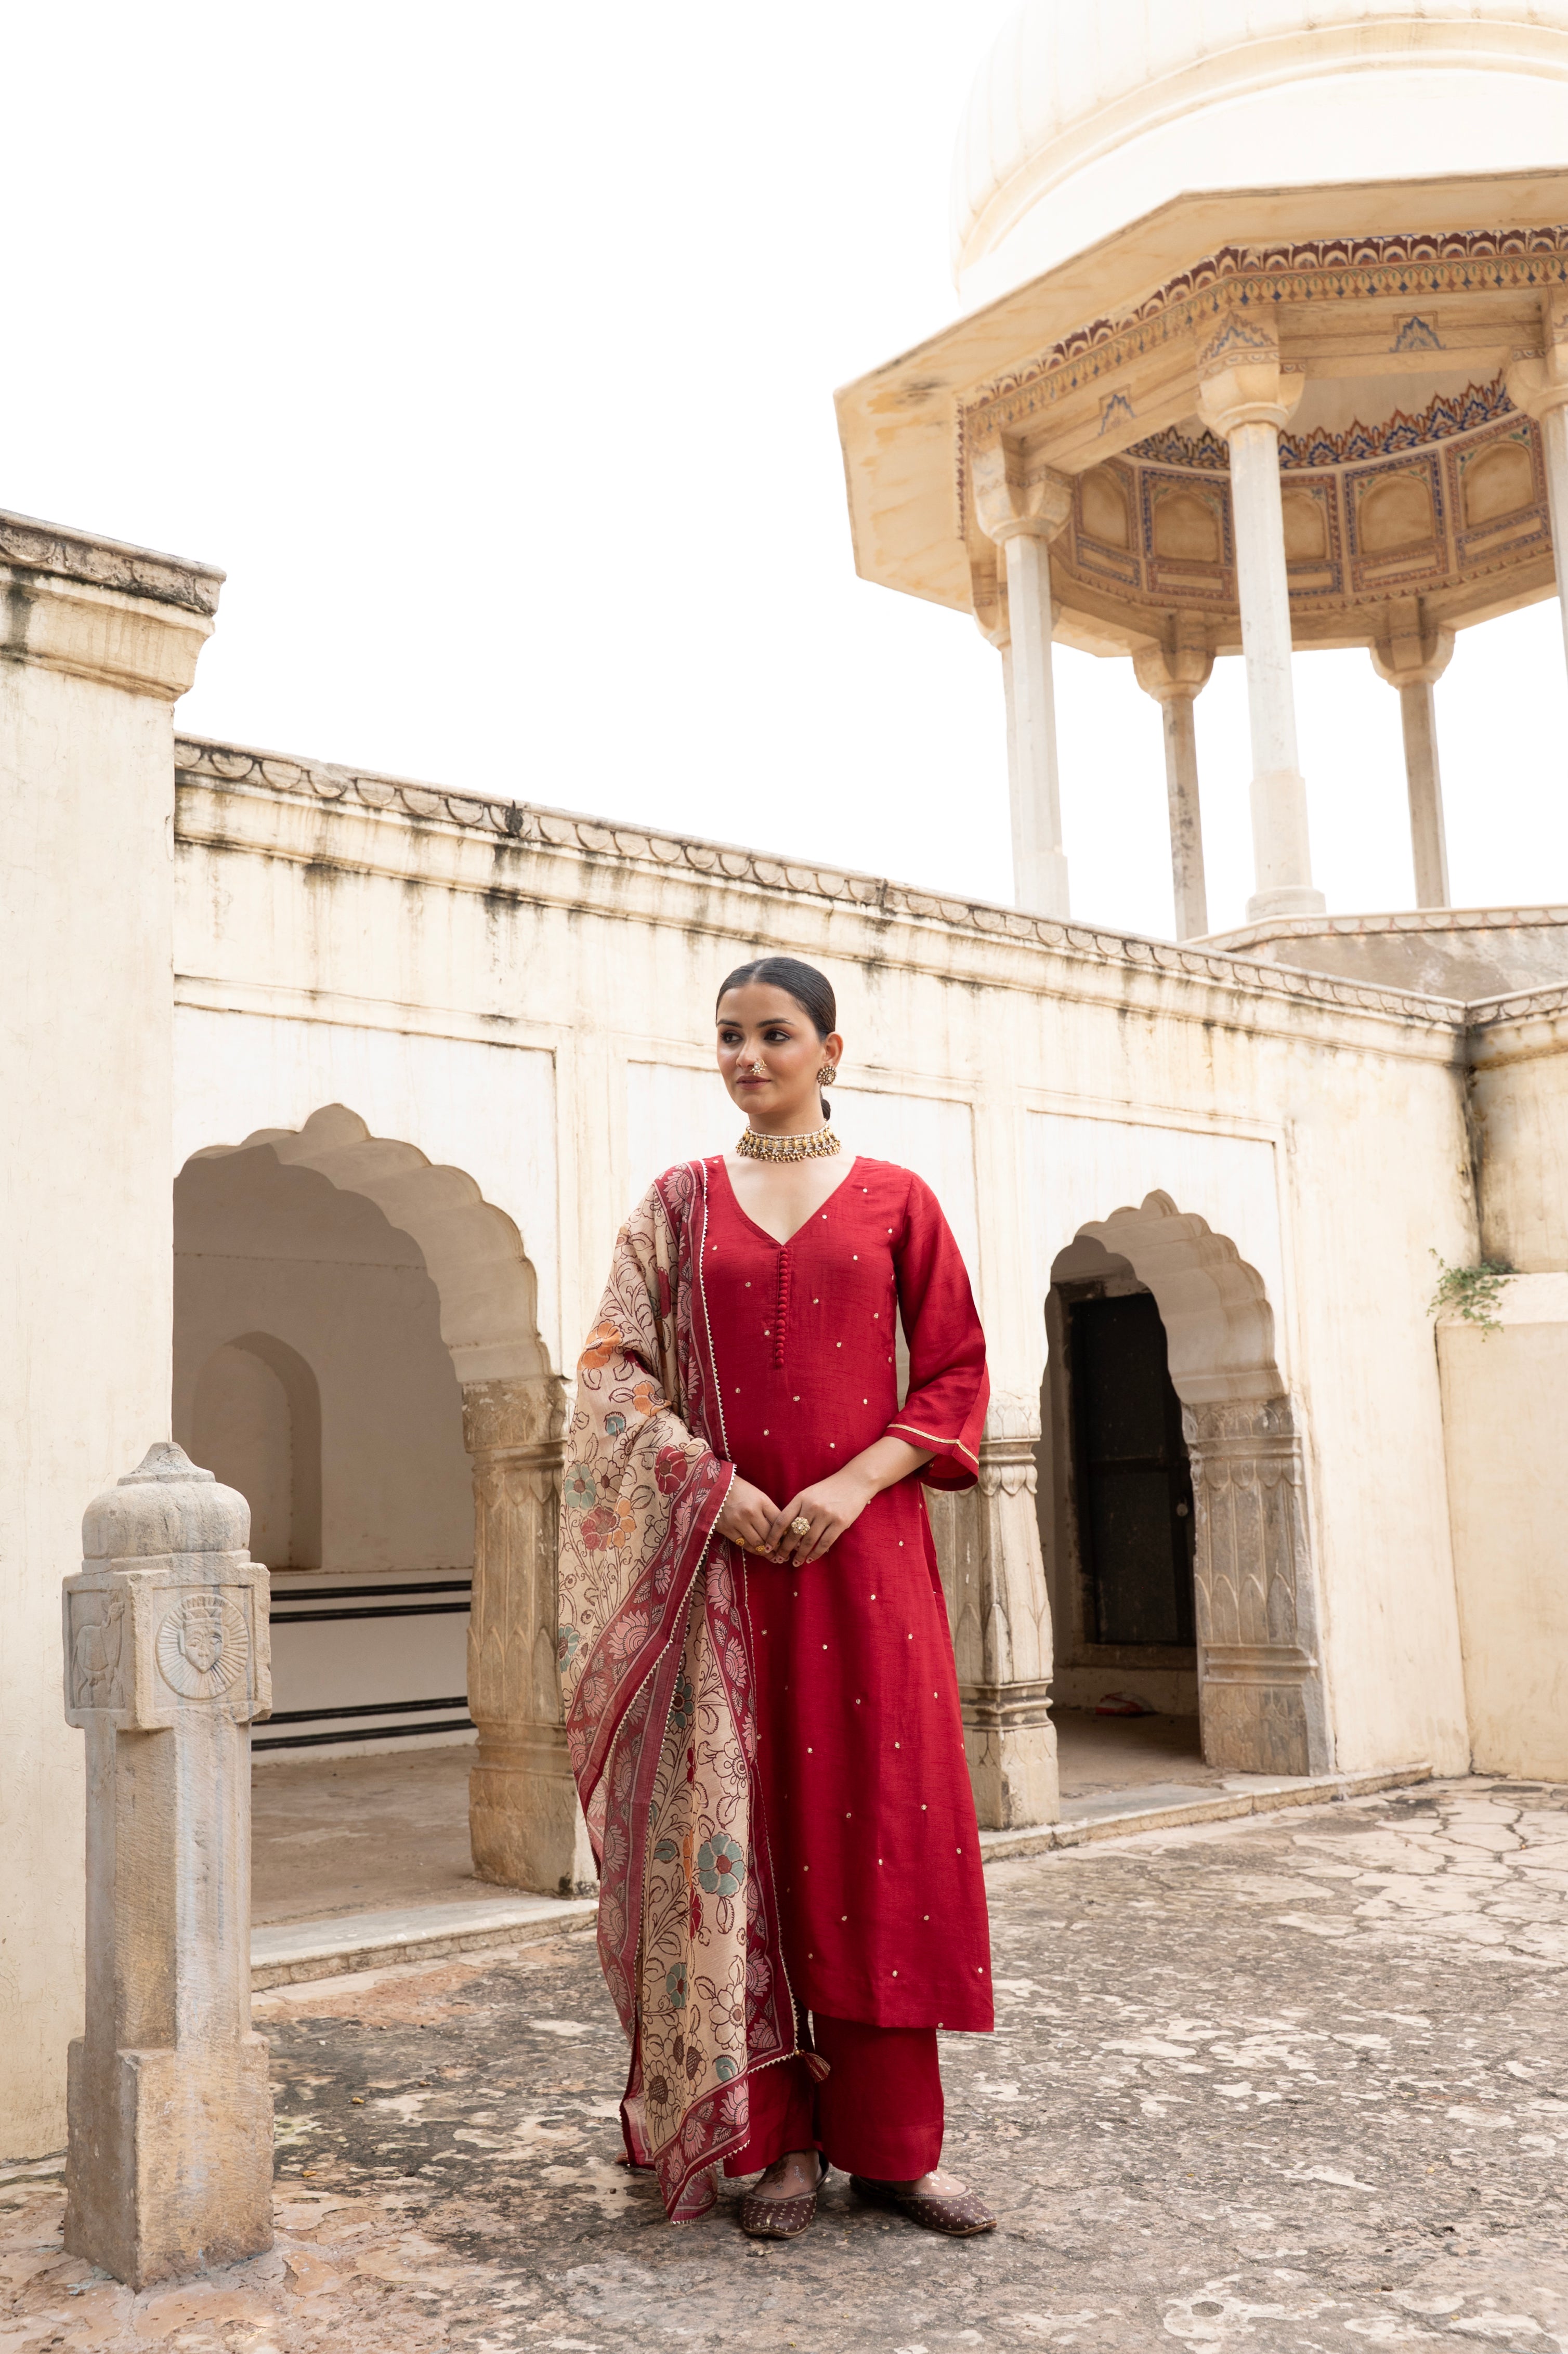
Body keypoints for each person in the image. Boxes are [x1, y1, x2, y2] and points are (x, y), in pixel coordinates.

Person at [557, 954, 995, 2237]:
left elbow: (955, 1371)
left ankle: (896, 2148)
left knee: (877, 1833)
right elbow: (612, 1370)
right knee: (742, 1840)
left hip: (866, 1565)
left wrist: (854, 1481)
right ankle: (780, 2145)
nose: (747, 1056)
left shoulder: (897, 1198)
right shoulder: (676, 1203)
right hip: (725, 1569)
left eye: (774, 1033)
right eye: (728, 1035)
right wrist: (712, 1486)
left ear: (829, 1049)